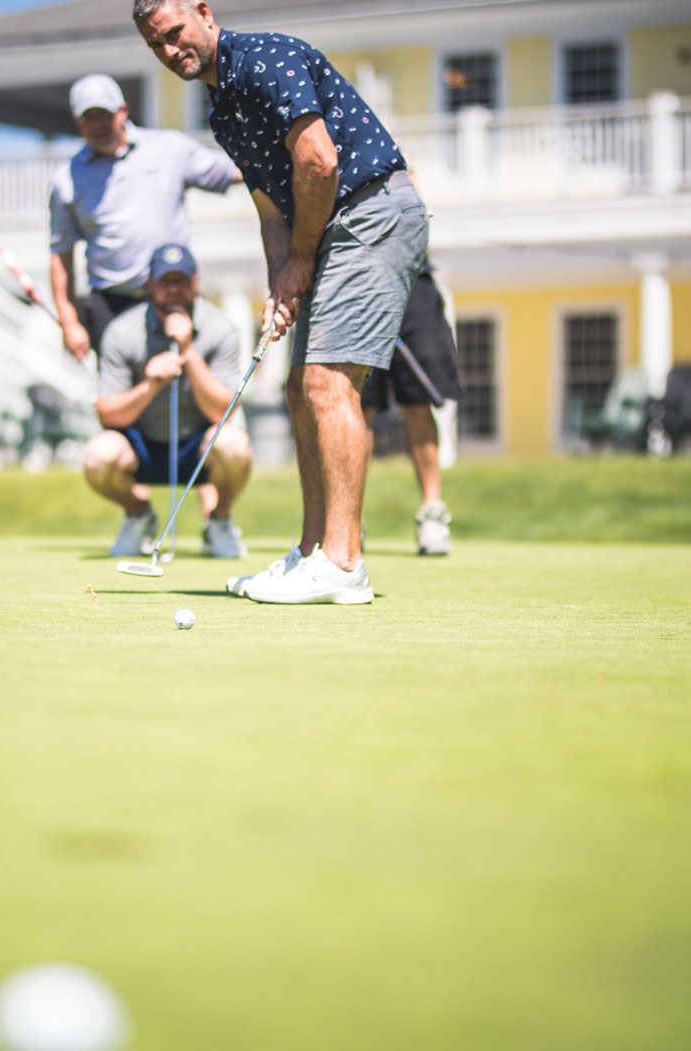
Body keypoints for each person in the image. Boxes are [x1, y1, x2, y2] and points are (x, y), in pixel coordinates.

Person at [133, 0, 430, 604]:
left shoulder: (268, 59)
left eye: (173, 34)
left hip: (370, 212)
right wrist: (281, 284)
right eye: (155, 46)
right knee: (299, 389)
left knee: (328, 383)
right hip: (326, 230)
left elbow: (319, 161)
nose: (169, 52)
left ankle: (344, 565)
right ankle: (312, 554)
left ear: (203, 12)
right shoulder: (222, 109)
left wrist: (300, 260)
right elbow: (270, 206)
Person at [48, 73, 241, 361]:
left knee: (184, 386)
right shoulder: (66, 180)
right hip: (110, 304)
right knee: (121, 399)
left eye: (105, 114)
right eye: (89, 117)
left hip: (173, 295)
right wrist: (70, 322)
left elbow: (233, 173)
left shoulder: (169, 148)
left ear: (123, 110)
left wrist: (278, 167)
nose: (98, 124)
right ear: (78, 121)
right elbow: (60, 256)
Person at [83, 243, 252, 560]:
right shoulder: (122, 332)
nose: (174, 290)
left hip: (198, 447)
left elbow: (223, 411)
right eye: (165, 282)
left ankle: (218, 520)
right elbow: (108, 415)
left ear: (196, 281)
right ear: (150, 284)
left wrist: (188, 351)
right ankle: (139, 514)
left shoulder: (222, 328)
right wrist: (150, 386)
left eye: (182, 281)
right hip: (143, 445)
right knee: (98, 455)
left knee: (234, 445)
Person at [361, 264, 461, 556]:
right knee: (357, 405)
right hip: (355, 279)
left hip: (412, 277)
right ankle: (348, 519)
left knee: (418, 402)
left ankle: (432, 513)